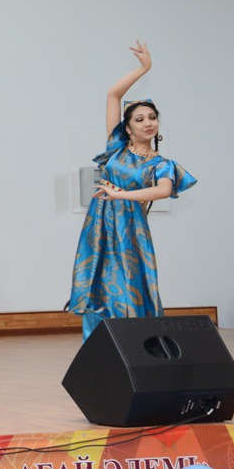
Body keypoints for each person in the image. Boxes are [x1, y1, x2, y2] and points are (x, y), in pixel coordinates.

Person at [68, 42, 197, 341]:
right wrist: (144, 68)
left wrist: (120, 195)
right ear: (128, 128)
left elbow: (163, 191)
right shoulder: (116, 148)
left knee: (129, 288)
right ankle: (96, 352)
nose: (148, 123)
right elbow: (113, 95)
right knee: (97, 285)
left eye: (152, 118)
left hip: (130, 230)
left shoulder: (162, 164)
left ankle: (141, 348)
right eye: (140, 119)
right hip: (99, 226)